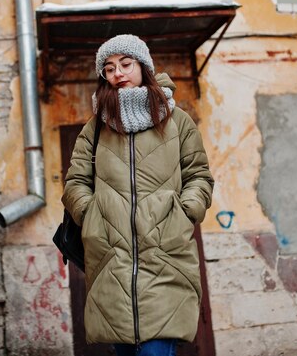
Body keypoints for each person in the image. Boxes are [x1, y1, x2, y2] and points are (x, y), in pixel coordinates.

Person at [61, 34, 214, 356]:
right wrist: (92, 216)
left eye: (126, 64)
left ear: (143, 66)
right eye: (109, 68)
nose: (118, 73)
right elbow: (75, 182)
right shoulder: (96, 129)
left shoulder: (178, 122)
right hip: (111, 261)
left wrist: (183, 212)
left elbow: (199, 176)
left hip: (165, 255)